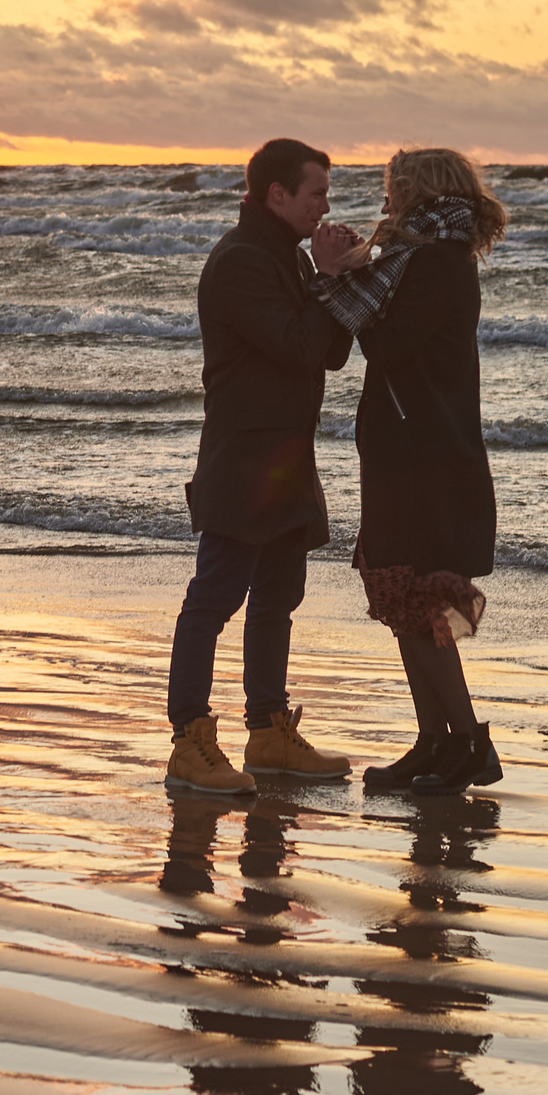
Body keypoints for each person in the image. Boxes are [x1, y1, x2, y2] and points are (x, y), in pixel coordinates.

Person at [163, 138, 366, 794]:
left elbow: (330, 353)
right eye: (316, 194)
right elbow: (299, 345)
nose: (325, 207)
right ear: (277, 194)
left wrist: (338, 276)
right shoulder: (240, 261)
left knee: (278, 597)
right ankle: (189, 740)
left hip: (285, 456)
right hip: (243, 457)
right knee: (215, 597)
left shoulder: (286, 255)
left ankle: (269, 731)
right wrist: (327, 278)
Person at [312, 147, 509, 793]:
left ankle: (469, 743)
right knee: (405, 601)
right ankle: (434, 740)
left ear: (421, 190)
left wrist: (336, 278)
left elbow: (388, 343)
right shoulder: (416, 258)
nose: (385, 199)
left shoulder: (437, 262)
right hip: (412, 452)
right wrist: (353, 272)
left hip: (427, 460)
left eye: (394, 187)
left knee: (423, 604)